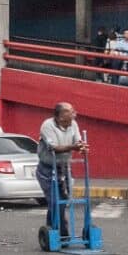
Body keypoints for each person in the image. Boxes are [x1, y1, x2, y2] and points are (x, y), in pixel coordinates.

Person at [36, 102, 88, 238]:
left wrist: (82, 147)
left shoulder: (73, 124)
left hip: (64, 168)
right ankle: (62, 233)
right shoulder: (47, 126)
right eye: (70, 111)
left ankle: (51, 229)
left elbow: (78, 141)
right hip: (47, 169)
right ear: (60, 117)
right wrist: (73, 147)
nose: (74, 113)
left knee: (63, 200)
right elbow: (53, 147)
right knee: (55, 201)